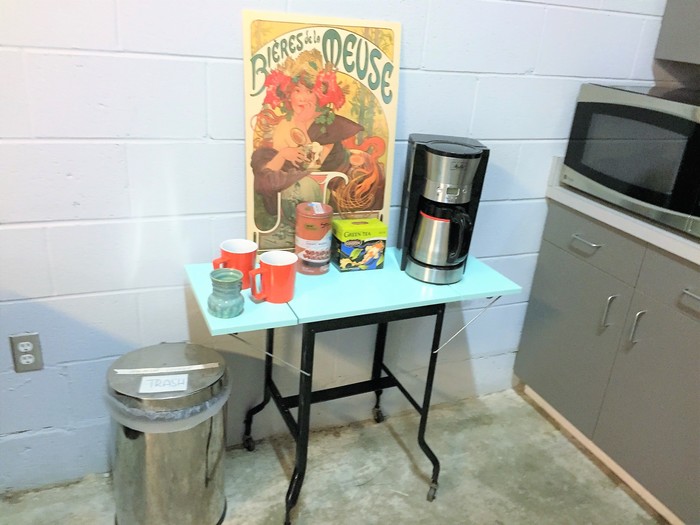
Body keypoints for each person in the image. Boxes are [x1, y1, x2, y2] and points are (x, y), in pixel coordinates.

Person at [250, 50, 363, 249]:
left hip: (318, 184)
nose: (303, 97)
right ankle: (283, 228)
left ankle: (301, 233)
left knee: (300, 182)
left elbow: (313, 165)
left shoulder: (330, 125)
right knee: (262, 160)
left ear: (318, 95)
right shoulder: (284, 123)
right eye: (297, 91)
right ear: (289, 95)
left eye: (309, 91)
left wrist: (302, 124)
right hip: (291, 182)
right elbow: (275, 164)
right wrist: (284, 154)